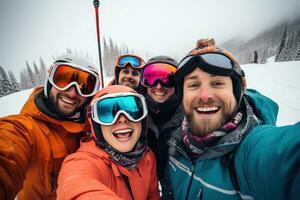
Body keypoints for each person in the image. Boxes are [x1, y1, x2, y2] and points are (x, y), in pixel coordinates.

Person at [164, 39, 300, 200]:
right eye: (193, 85)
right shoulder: (175, 143)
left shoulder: (251, 153)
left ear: (237, 93)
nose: (205, 95)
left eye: (217, 83)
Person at [0, 54, 101, 200]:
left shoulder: (95, 125)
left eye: (84, 86)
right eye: (63, 80)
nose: (72, 92)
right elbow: (8, 149)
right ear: (49, 80)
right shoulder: (27, 129)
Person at [57, 85, 160, 200]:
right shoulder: (82, 163)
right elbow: (76, 186)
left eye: (132, 112)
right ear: (96, 125)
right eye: (107, 114)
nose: (122, 119)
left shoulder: (148, 158)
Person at [140, 56, 184, 195]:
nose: (158, 85)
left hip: (177, 189)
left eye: (167, 80)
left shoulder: (190, 116)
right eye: (150, 78)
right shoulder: (135, 115)